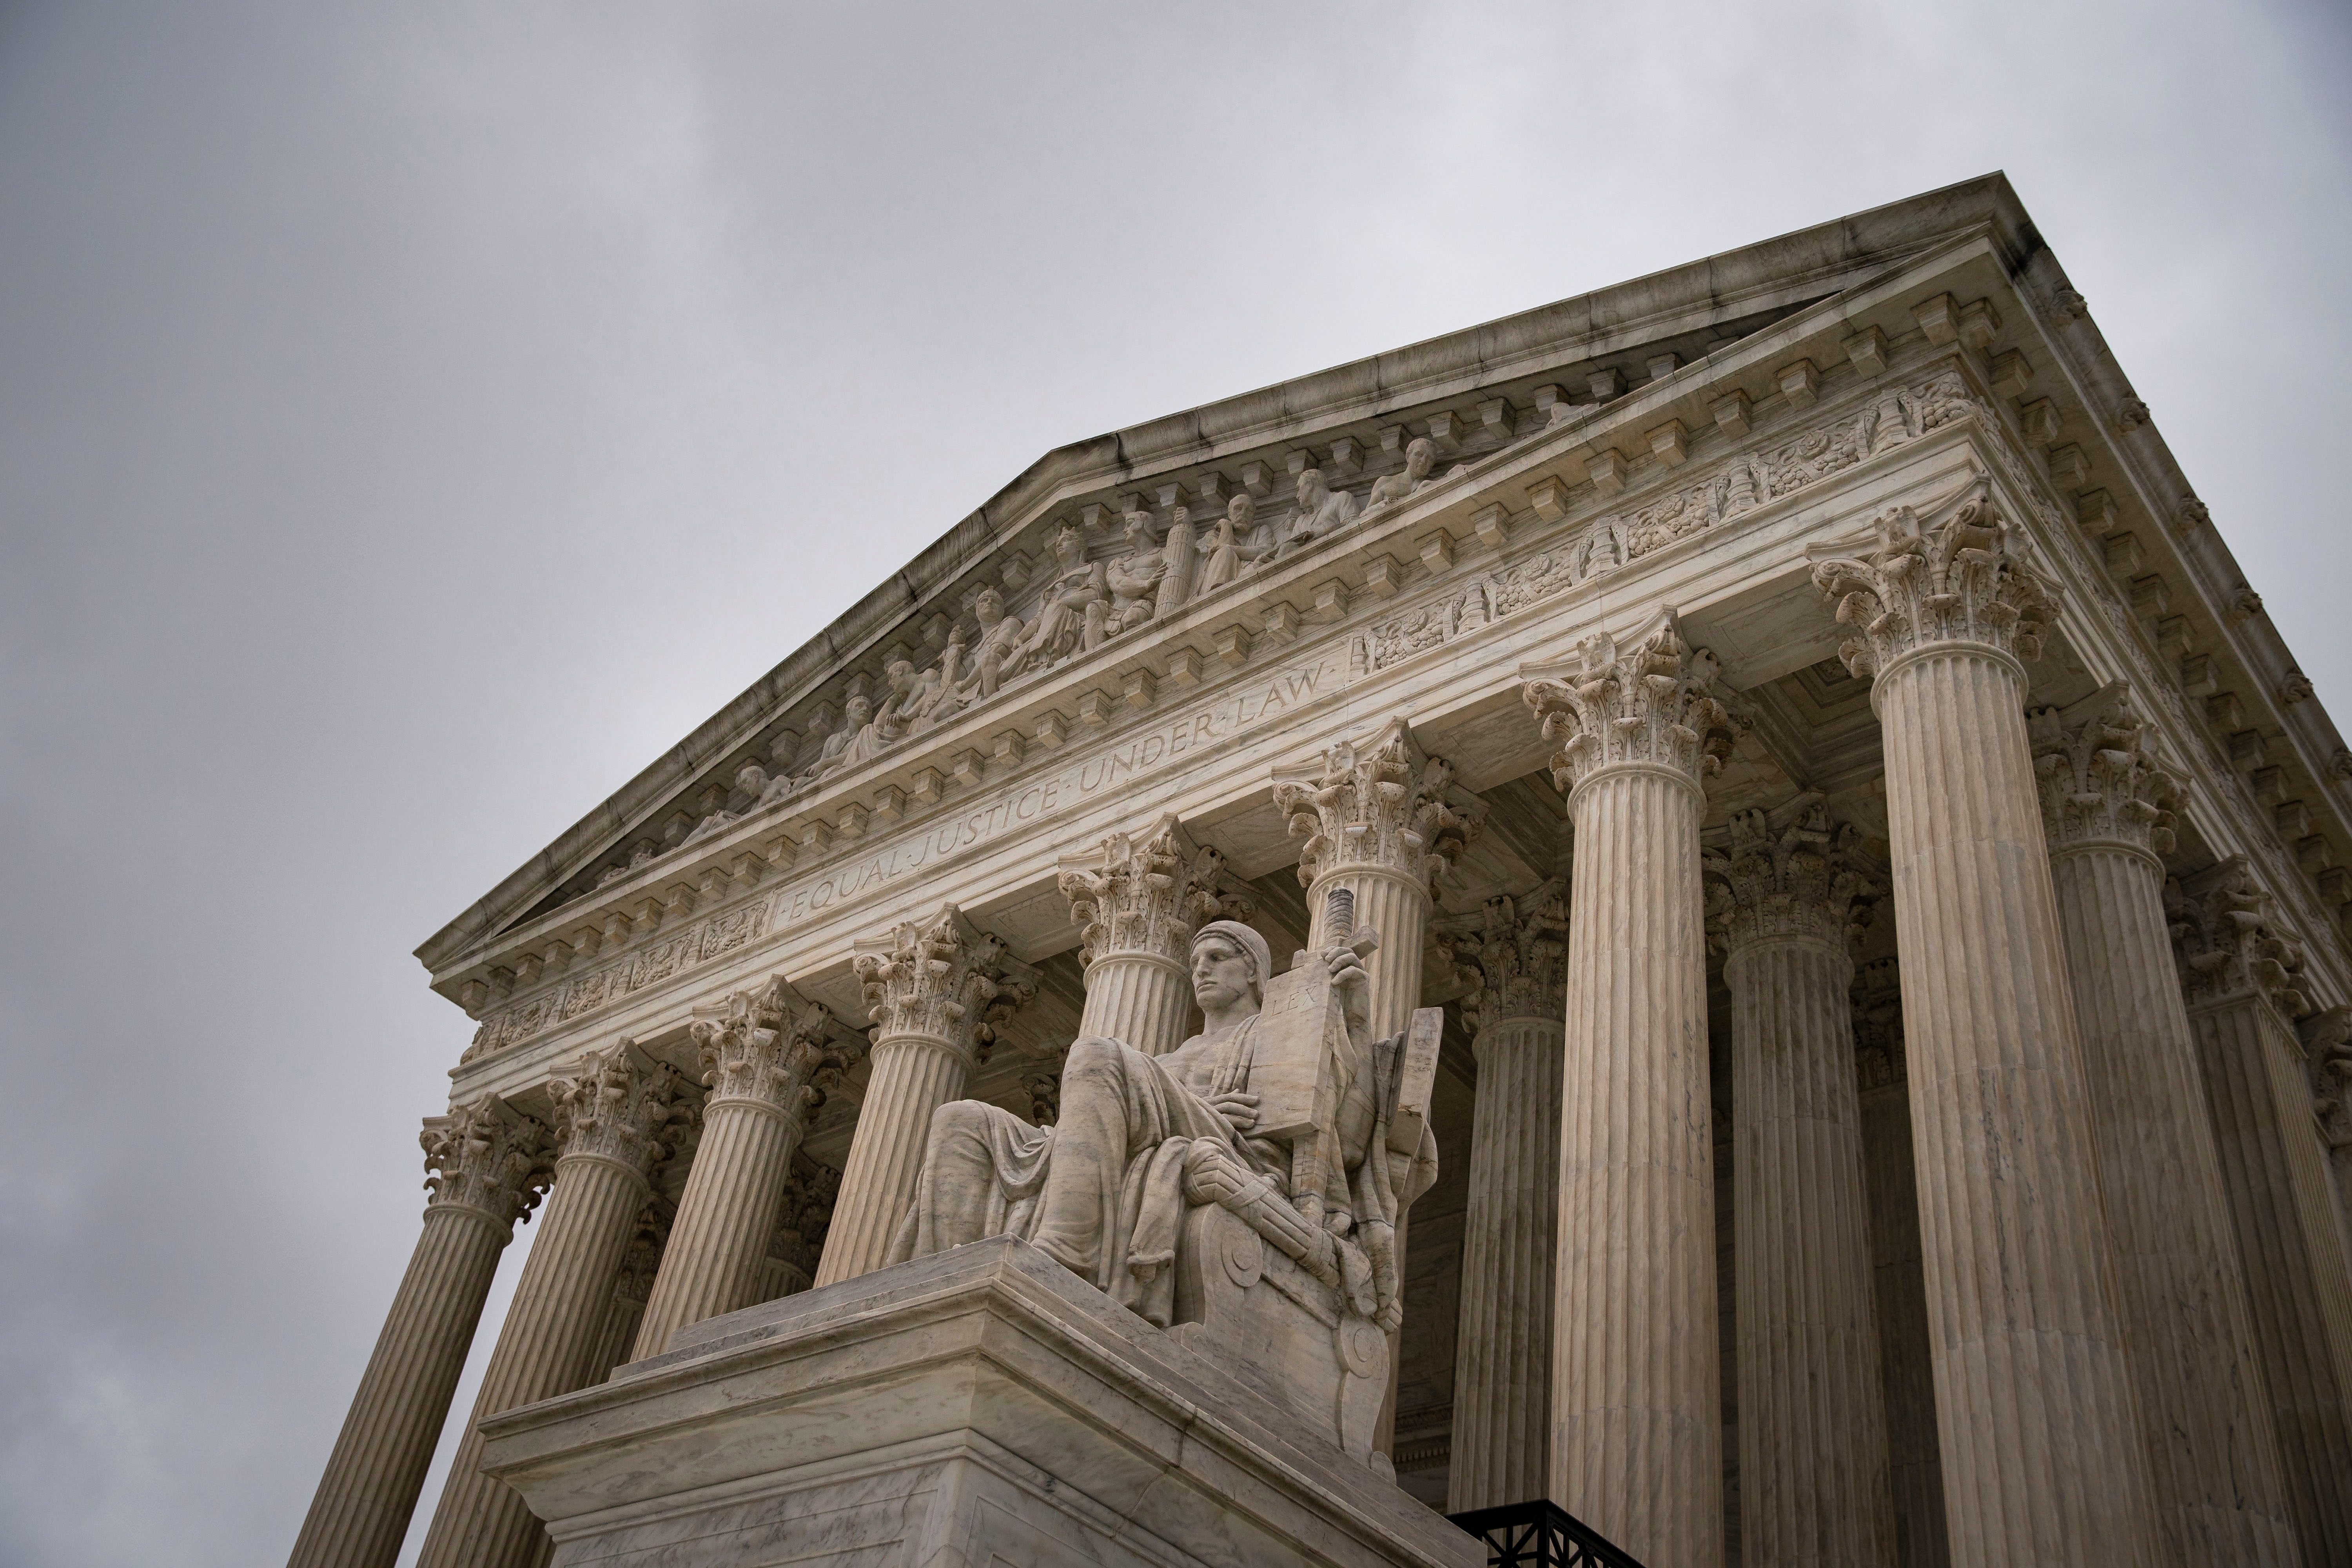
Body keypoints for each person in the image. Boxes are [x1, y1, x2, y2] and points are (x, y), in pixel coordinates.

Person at [888, 919, 1433, 1329]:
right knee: (961, 1120)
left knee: (1098, 1054)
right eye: (1197, 959)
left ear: (1255, 974)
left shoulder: (1276, 1035)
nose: (1201, 969)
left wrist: (1355, 1015)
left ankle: (1066, 1253)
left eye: (1218, 957)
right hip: (1176, 1130)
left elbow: (1349, 1136)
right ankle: (945, 1288)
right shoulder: (1176, 1056)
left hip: (1238, 1147)